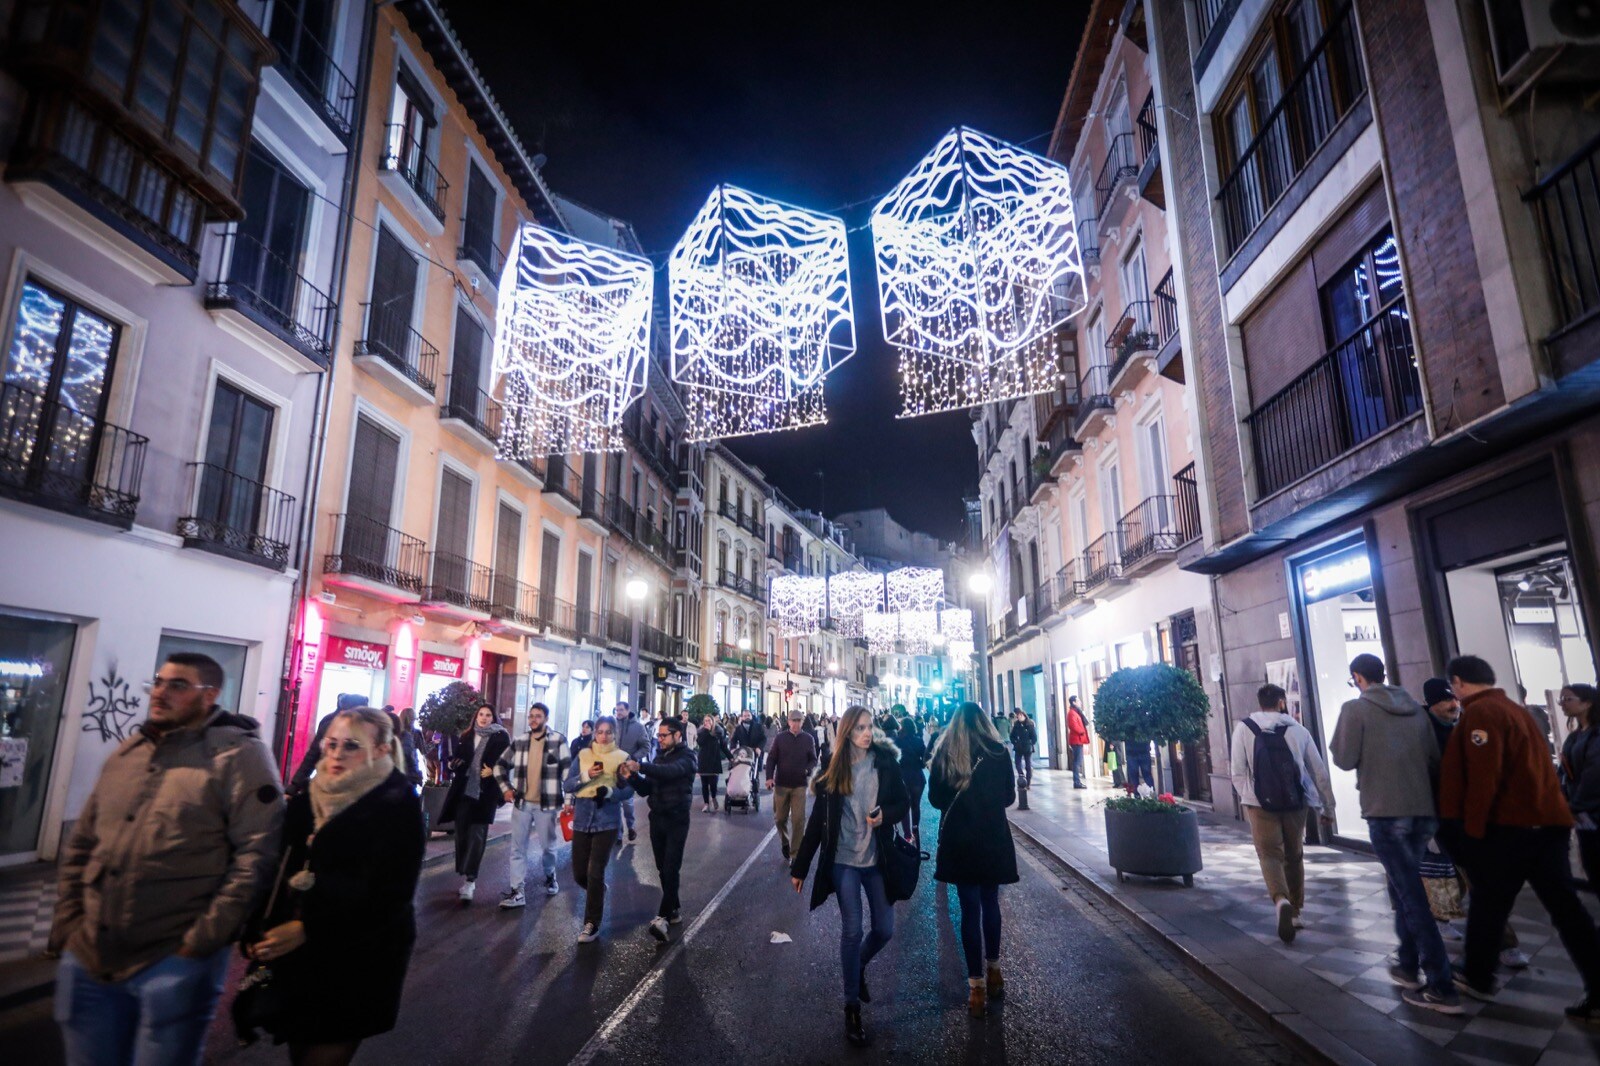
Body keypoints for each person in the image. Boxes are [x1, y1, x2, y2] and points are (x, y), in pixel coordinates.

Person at [50, 652, 283, 1066]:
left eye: (177, 685)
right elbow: (82, 843)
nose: (160, 692)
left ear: (210, 695)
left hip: (173, 960)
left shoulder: (239, 757)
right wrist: (69, 921)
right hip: (89, 955)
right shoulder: (131, 751)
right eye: (157, 682)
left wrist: (201, 941)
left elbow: (256, 855)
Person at [242, 707, 424, 1064]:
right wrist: (258, 925)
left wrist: (311, 927)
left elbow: (391, 896)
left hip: (357, 959)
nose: (337, 754)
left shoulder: (397, 803)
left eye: (352, 745)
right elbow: (280, 866)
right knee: (300, 1049)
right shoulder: (310, 796)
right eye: (332, 743)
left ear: (382, 751)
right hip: (299, 956)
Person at [1440, 656, 1600, 1019]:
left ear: (1458, 682)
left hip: (1512, 829)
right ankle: (1595, 985)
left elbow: (1484, 776)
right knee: (1564, 910)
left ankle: (1477, 975)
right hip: (1544, 825)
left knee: (1491, 903)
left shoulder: (1482, 714)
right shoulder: (1515, 709)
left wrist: (1472, 831)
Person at [1329, 653, 1459, 1014]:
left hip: (1386, 812)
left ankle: (1441, 985)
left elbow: (1342, 757)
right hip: (1422, 811)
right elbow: (1433, 757)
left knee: (1412, 896)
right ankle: (1406, 963)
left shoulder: (1355, 710)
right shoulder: (1416, 709)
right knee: (1403, 887)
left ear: (1357, 677)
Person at [790, 706, 910, 1048]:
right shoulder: (833, 767)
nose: (867, 733)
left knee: (885, 928)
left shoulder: (885, 762)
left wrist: (886, 814)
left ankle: (857, 967)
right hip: (843, 861)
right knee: (852, 928)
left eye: (869, 727)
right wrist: (801, 867)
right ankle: (852, 1007)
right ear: (846, 732)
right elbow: (817, 823)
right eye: (860, 728)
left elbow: (903, 801)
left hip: (876, 860)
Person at [929, 701, 1019, 1019]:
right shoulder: (999, 752)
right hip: (992, 839)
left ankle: (976, 987)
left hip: (961, 842)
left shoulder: (945, 752)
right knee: (990, 903)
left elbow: (936, 799)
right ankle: (994, 969)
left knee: (968, 910)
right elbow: (1010, 797)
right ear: (984, 723)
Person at [1229, 683, 1335, 944]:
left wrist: (1251, 796)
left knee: (1269, 855)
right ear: (1281, 702)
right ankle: (1296, 911)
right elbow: (1318, 770)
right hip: (1296, 802)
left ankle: (1280, 900)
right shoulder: (1298, 730)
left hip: (1259, 804)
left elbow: (1237, 771)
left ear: (1259, 703)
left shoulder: (1244, 728)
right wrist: (1327, 806)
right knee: (1294, 853)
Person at [625, 716, 699, 940]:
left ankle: (662, 918)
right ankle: (673, 908)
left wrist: (642, 765)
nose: (660, 739)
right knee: (661, 868)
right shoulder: (658, 757)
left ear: (678, 735)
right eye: (658, 735)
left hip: (677, 819)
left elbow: (672, 772)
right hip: (657, 818)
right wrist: (632, 777)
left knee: (670, 868)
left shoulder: (688, 757)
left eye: (664, 735)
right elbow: (647, 788)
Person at [494, 701, 570, 908]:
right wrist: (506, 789)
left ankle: (550, 875)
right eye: (531, 716)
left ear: (546, 718)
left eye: (537, 716)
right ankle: (517, 891)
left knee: (548, 848)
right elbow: (499, 766)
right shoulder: (520, 742)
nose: (533, 719)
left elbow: (567, 773)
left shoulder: (558, 741)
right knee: (517, 849)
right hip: (522, 803)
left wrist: (570, 801)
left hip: (547, 805)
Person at [564, 716, 631, 942]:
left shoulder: (622, 757)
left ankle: (592, 923)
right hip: (582, 819)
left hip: (607, 821)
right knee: (579, 873)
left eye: (608, 732)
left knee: (595, 870)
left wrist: (611, 792)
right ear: (594, 734)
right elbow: (567, 784)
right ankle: (598, 889)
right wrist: (586, 776)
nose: (604, 736)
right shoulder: (583, 755)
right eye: (600, 732)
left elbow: (629, 790)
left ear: (614, 734)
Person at [440, 704, 509, 903]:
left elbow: (507, 762)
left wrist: (494, 770)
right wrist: (455, 764)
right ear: (476, 716)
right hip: (464, 792)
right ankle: (465, 870)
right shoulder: (467, 735)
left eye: (488, 715)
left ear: (493, 718)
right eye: (481, 714)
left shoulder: (501, 736)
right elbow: (460, 759)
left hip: (485, 793)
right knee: (461, 833)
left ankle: (471, 880)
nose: (484, 718)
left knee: (477, 836)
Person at [1559, 684, 1600, 893]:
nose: (1562, 704)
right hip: (1583, 813)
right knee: (1591, 864)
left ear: (1587, 703)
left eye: (1568, 699)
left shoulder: (1595, 735)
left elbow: (1594, 775)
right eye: (1561, 700)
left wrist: (1575, 805)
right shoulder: (1575, 736)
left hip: (1592, 809)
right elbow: (1565, 771)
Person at [288, 693, 368, 795]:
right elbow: (313, 755)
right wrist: (294, 787)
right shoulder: (329, 723)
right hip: (329, 782)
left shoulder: (365, 728)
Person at [768, 708, 819, 861]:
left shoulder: (808, 739)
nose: (796, 724)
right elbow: (771, 759)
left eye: (798, 720)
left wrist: (807, 770)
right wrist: (769, 777)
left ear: (802, 722)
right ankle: (785, 842)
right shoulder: (780, 738)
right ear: (788, 722)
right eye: (793, 720)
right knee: (780, 818)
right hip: (781, 785)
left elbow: (813, 759)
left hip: (799, 785)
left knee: (798, 820)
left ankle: (795, 854)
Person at [614, 701, 651, 843]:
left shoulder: (638, 728)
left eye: (621, 710)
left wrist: (633, 758)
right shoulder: (613, 726)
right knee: (615, 803)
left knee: (627, 803)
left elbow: (646, 746)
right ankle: (618, 834)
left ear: (628, 710)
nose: (618, 713)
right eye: (617, 710)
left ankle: (631, 827)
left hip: (628, 771)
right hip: (612, 771)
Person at [896, 716, 928, 843]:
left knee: (905, 805)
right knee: (916, 805)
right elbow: (925, 759)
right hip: (917, 776)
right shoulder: (919, 741)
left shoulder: (897, 741)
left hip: (903, 776)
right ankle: (915, 828)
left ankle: (907, 834)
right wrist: (920, 764)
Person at [696, 713, 731, 812]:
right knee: (704, 784)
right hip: (703, 760)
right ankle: (706, 803)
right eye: (705, 721)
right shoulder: (701, 732)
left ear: (713, 722)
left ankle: (714, 797)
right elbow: (700, 743)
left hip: (714, 760)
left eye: (709, 721)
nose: (707, 722)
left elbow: (724, 747)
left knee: (713, 784)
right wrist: (706, 731)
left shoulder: (719, 733)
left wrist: (730, 757)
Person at [732, 709, 767, 790]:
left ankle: (755, 792)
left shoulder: (758, 726)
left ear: (751, 716)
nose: (747, 717)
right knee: (743, 773)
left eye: (748, 715)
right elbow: (733, 740)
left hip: (755, 753)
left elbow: (763, 739)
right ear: (742, 717)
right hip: (743, 754)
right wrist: (733, 748)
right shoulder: (738, 728)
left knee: (754, 774)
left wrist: (759, 748)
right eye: (744, 716)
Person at [1066, 696, 1090, 789]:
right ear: (1074, 702)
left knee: (1078, 761)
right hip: (1076, 740)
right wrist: (1082, 731)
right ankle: (1077, 782)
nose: (1080, 702)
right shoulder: (1072, 713)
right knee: (1077, 762)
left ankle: (1077, 781)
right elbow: (1073, 726)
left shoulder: (1077, 712)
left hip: (1079, 739)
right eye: (1078, 700)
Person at [396, 707, 424, 788]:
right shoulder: (416, 733)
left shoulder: (395, 732)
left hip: (397, 768)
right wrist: (436, 739)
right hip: (411, 770)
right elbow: (424, 751)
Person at [1008, 710, 1036, 787]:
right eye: (1018, 715)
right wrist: (1015, 742)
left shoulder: (1030, 724)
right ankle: (1021, 775)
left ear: (1024, 715)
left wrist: (1030, 743)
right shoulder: (1016, 725)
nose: (1019, 717)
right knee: (1017, 763)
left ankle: (1028, 782)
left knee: (1028, 765)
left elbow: (1034, 737)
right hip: (1018, 747)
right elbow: (1012, 736)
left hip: (1027, 747)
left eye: (1020, 715)